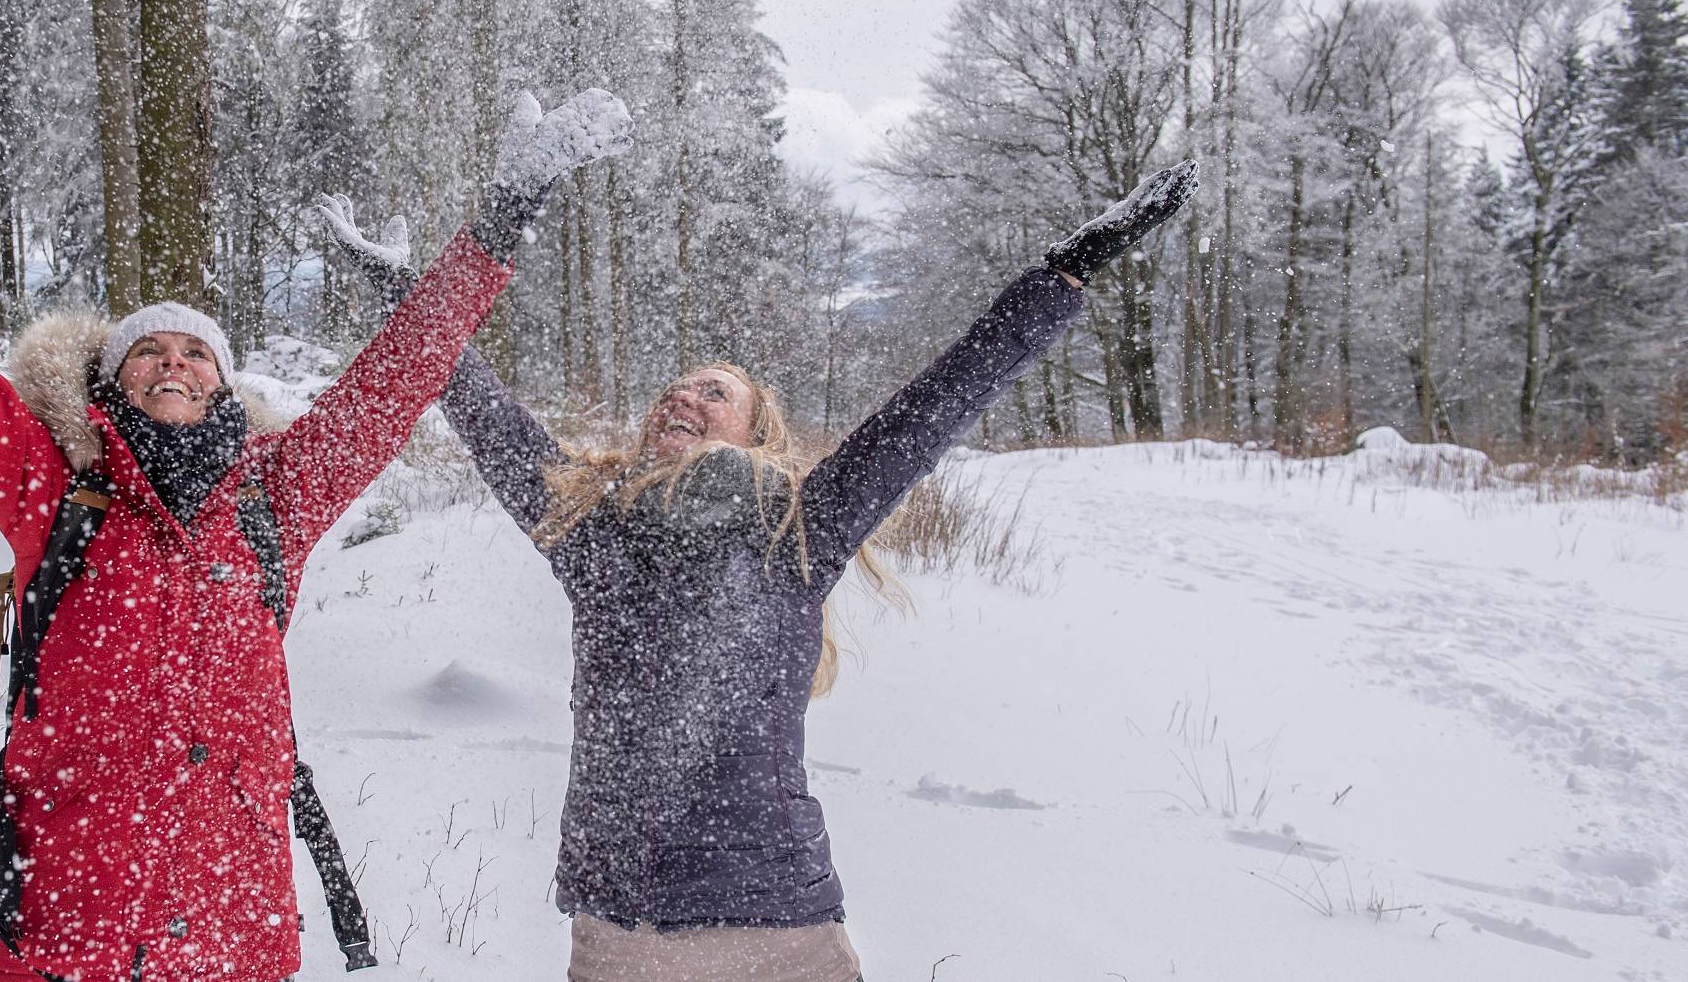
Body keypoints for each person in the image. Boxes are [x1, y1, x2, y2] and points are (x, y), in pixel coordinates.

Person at [0, 69, 633, 982]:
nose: (174, 362)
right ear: (110, 382)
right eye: (150, 351)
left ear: (223, 385)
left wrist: (501, 220)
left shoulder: (274, 500)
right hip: (64, 929)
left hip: (232, 931)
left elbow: (397, 379)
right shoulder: (58, 491)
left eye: (196, 353)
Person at [315, 162, 1199, 982]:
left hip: (776, 932)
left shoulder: (800, 527)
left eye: (714, 392)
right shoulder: (592, 530)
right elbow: (485, 413)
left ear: (754, 432)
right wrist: (409, 295)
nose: (682, 397)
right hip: (616, 936)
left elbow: (936, 402)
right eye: (675, 388)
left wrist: (1065, 273)